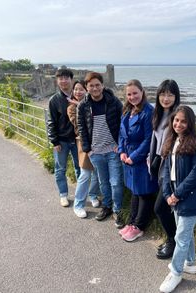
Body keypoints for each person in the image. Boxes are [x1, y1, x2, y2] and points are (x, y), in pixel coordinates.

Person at [149, 79, 196, 259]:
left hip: (174, 173)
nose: (166, 98)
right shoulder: (157, 115)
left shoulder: (180, 115)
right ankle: (178, 245)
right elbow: (154, 141)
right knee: (165, 207)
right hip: (162, 170)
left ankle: (173, 242)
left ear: (176, 96)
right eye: (162, 94)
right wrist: (149, 159)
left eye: (170, 94)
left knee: (160, 207)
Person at [159, 105, 196, 293]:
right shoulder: (172, 140)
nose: (178, 124)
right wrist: (167, 194)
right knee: (185, 234)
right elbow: (166, 170)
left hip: (190, 198)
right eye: (176, 120)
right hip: (175, 196)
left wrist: (176, 195)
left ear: (190, 123)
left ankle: (176, 273)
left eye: (183, 121)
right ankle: (190, 263)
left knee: (180, 237)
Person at [77, 72, 124, 227]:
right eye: (91, 85)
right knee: (103, 183)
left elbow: (122, 124)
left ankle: (117, 210)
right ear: (87, 87)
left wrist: (120, 144)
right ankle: (107, 206)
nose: (95, 88)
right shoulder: (82, 106)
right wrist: (87, 149)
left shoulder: (113, 102)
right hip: (95, 152)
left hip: (113, 150)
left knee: (116, 182)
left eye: (98, 85)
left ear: (102, 86)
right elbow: (82, 128)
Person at [118, 80, 158, 241]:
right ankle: (132, 222)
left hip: (141, 158)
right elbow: (121, 133)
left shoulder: (148, 112)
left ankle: (139, 226)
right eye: (129, 94)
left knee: (145, 193)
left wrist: (133, 157)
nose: (132, 97)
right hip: (127, 156)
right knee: (135, 191)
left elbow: (149, 140)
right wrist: (121, 151)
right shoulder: (127, 109)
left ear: (142, 92)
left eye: (135, 93)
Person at [66, 80, 101, 218]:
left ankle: (92, 195)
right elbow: (78, 125)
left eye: (81, 89)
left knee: (97, 172)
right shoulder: (72, 108)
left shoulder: (91, 104)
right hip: (84, 142)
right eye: (75, 89)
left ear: (86, 90)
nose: (78, 92)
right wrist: (79, 105)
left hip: (99, 142)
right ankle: (78, 204)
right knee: (85, 173)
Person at [47, 68, 80, 207]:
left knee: (81, 168)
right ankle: (63, 195)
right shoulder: (54, 100)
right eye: (61, 78)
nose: (64, 80)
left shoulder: (78, 95)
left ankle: (81, 195)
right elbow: (51, 121)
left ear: (71, 79)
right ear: (57, 81)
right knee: (60, 169)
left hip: (78, 139)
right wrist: (54, 140)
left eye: (66, 78)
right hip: (61, 140)